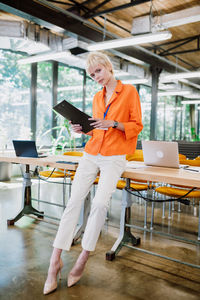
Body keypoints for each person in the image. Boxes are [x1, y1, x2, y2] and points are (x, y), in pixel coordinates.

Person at [43, 51, 143, 294]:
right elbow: (97, 130)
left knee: (99, 204)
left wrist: (114, 124)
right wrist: (82, 129)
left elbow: (137, 125)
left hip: (115, 157)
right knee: (73, 202)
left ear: (108, 67)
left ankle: (82, 259)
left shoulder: (129, 91)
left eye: (98, 71)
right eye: (91, 74)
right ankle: (54, 263)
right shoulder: (97, 98)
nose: (95, 76)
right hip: (92, 153)